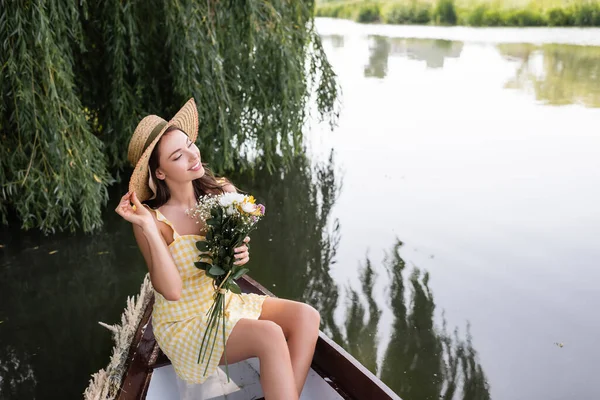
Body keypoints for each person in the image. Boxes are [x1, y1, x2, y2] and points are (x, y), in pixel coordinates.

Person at [115, 98, 320, 399]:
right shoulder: (152, 220)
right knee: (270, 335)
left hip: (221, 302)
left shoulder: (223, 193)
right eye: (177, 156)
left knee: (307, 317)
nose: (192, 156)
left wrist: (239, 255)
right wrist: (146, 227)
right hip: (183, 322)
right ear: (159, 173)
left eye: (189, 145)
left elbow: (230, 266)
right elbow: (170, 290)